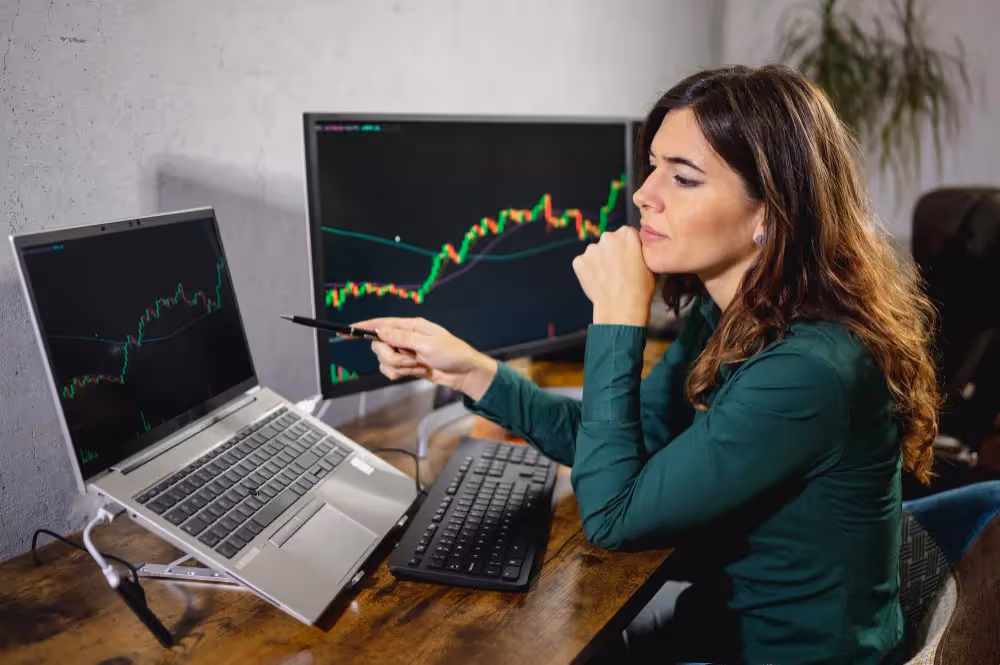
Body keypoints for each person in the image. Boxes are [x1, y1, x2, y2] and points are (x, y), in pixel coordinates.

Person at [350, 65, 941, 664]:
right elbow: (626, 442)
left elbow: (612, 514)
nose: (643, 195)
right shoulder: (733, 315)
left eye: (682, 178)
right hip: (717, 619)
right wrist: (470, 370)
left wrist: (618, 315)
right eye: (654, 165)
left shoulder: (808, 370)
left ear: (769, 213)